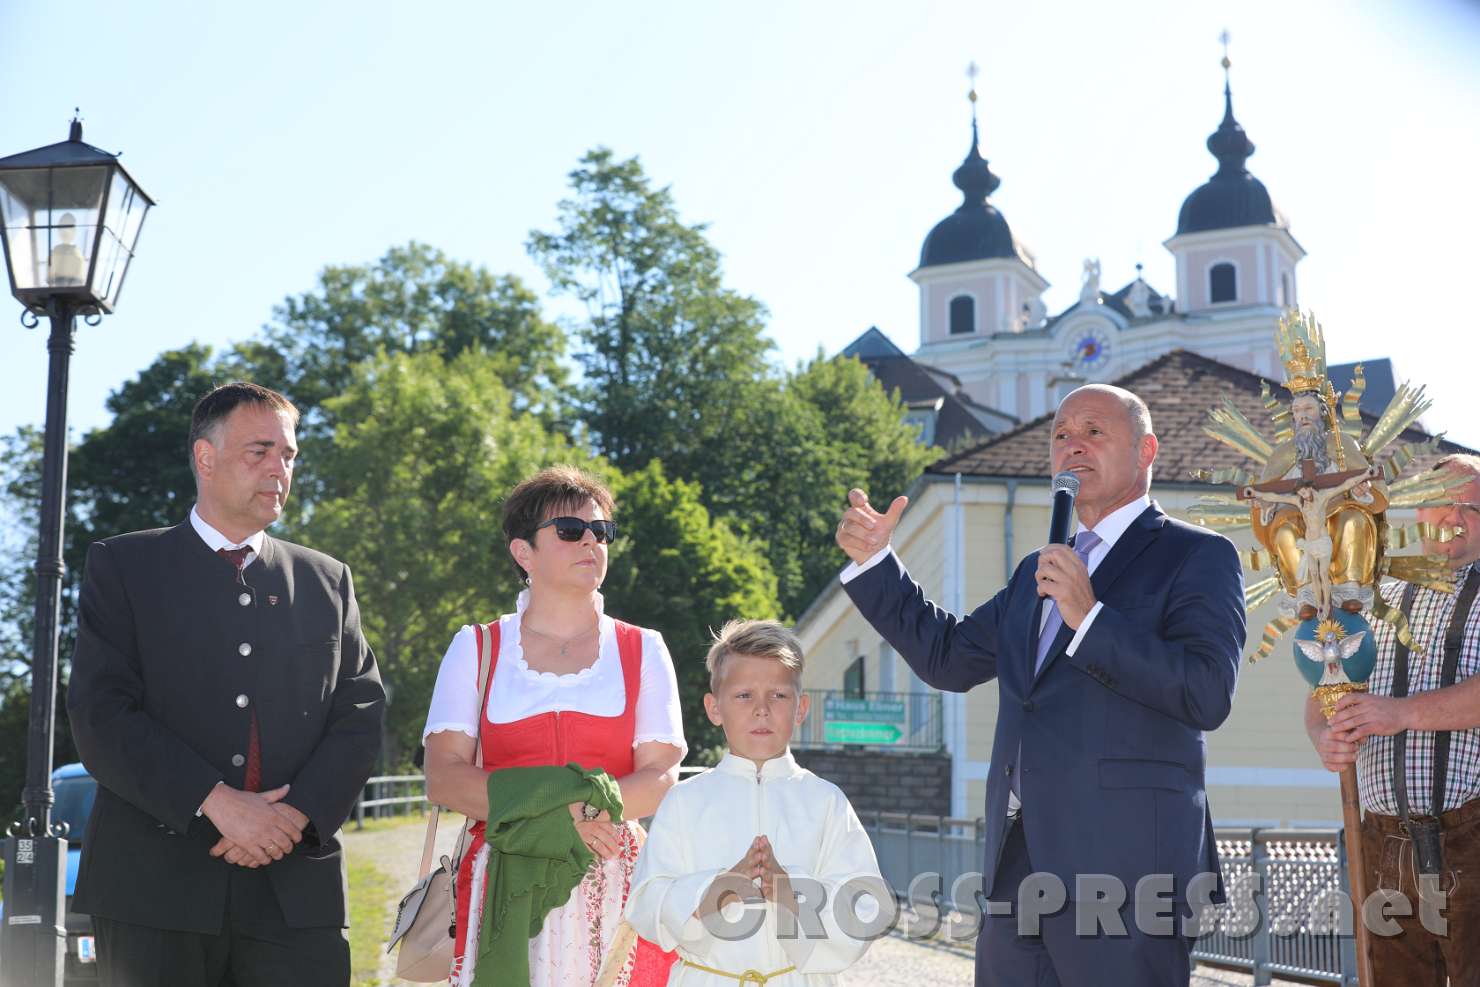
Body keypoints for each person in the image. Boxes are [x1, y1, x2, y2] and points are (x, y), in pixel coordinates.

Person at [835, 383, 1245, 987]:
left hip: (1131, 873)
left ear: (1146, 449)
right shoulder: (1038, 568)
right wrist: (877, 564)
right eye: (1060, 436)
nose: (1072, 446)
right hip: (1020, 867)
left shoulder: (1197, 555)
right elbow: (948, 658)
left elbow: (1206, 693)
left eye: (1093, 432)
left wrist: (1092, 620)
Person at [67, 382, 385, 986]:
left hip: (296, 897)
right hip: (153, 897)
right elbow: (100, 714)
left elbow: (359, 714)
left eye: (288, 455)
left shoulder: (327, 579)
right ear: (205, 458)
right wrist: (217, 803)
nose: (279, 470)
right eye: (259, 451)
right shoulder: (124, 566)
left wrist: (292, 817)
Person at [422, 465, 687, 986]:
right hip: (504, 876)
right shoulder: (476, 647)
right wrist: (562, 816)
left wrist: (581, 817)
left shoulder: (644, 648)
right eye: (570, 531)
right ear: (524, 552)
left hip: (613, 873)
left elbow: (660, 777)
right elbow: (445, 777)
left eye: (602, 532)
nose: (591, 541)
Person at [625, 620, 885, 984]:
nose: (762, 709)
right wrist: (718, 890)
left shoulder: (826, 802)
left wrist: (788, 892)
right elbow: (647, 899)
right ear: (714, 708)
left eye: (778, 695)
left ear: (801, 708)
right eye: (744, 695)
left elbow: (863, 905)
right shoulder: (684, 801)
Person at [1308, 453, 1480, 984]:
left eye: (1467, 506)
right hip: (1382, 845)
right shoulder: (1375, 599)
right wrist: (1325, 737)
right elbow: (1325, 693)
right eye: (1437, 502)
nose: (1450, 516)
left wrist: (1400, 713)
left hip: (1472, 838)